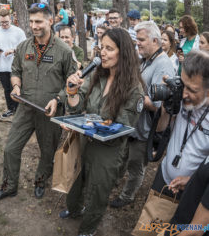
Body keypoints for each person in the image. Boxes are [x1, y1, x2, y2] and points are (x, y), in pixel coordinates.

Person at [59, 28, 144, 236]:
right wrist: (71, 93)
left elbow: (122, 126)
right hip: (86, 141)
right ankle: (75, 208)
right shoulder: (97, 76)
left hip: (109, 151)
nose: (102, 53)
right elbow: (78, 108)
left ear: (122, 53)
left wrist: (84, 123)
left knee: (98, 191)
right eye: (101, 48)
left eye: (109, 49)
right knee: (77, 180)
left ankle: (88, 229)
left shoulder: (134, 89)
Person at [0, 3, 76, 201]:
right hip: (26, 107)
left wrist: (58, 99)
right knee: (11, 148)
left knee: (47, 152)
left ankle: (40, 182)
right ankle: (9, 186)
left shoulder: (64, 51)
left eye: (38, 21)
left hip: (50, 112)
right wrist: (16, 86)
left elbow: (71, 83)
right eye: (31, 21)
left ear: (50, 21)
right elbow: (16, 71)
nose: (34, 26)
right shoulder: (24, 46)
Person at [111, 21, 175, 208]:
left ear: (155, 40)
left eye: (141, 40)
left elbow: (157, 105)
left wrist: (131, 95)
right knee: (122, 157)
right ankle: (113, 182)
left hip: (145, 130)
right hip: (131, 126)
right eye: (136, 39)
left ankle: (127, 196)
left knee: (136, 167)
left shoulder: (163, 65)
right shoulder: (146, 59)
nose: (137, 43)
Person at [147, 51, 209, 203]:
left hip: (193, 191)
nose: (184, 94)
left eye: (192, 90)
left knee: (179, 227)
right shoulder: (179, 96)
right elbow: (161, 129)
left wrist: (190, 180)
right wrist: (166, 107)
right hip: (163, 177)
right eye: (183, 85)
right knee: (149, 224)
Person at [0, 8, 26, 118]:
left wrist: (13, 50)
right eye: (2, 22)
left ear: (11, 19)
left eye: (6, 22)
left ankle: (19, 111)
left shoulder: (18, 32)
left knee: (17, 89)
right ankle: (10, 109)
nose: (4, 24)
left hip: (16, 67)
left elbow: (25, 48)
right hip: (1, 67)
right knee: (7, 89)